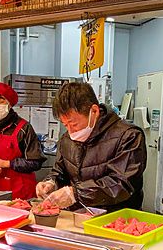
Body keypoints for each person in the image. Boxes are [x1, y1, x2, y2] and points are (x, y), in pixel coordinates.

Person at [36, 81, 147, 211]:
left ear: (94, 111)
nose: (70, 131)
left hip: (117, 217)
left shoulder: (129, 136)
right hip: (79, 216)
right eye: (65, 125)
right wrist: (51, 182)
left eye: (74, 124)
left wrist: (75, 194)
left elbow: (121, 184)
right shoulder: (66, 140)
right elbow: (60, 171)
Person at [0, 83, 44, 200]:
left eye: (1, 102)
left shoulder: (24, 128)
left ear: (9, 104)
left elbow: (35, 162)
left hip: (22, 191)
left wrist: (7, 164)